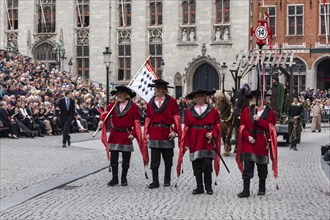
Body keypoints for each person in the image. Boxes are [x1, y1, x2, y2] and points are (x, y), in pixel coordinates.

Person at [98, 86, 147, 186]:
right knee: (114, 158)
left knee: (126, 158)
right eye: (118, 94)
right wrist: (102, 120)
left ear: (126, 95)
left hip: (126, 134)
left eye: (121, 93)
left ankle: (124, 178)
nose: (119, 95)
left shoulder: (133, 107)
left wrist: (133, 134)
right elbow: (106, 113)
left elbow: (136, 122)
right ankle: (114, 178)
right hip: (115, 133)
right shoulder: (113, 105)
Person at [177, 89, 220, 195]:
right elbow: (186, 128)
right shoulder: (189, 112)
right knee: (196, 165)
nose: (198, 98)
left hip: (207, 140)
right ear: (194, 98)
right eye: (196, 97)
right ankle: (199, 187)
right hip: (194, 140)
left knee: (207, 164)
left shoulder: (212, 110)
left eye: (200, 96)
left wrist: (213, 133)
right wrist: (186, 143)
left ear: (205, 97)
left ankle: (208, 187)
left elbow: (217, 124)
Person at [236, 90, 278, 198]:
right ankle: (246, 190)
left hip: (261, 141)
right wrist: (248, 136)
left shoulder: (269, 112)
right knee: (248, 166)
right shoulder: (246, 111)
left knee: (262, 166)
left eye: (258, 98)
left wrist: (259, 121)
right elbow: (242, 126)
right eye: (254, 98)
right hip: (249, 141)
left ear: (263, 99)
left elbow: (271, 127)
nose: (256, 100)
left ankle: (262, 188)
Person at [143, 79, 182, 189]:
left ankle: (167, 179)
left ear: (165, 90)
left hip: (167, 132)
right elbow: (148, 119)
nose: (157, 90)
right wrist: (147, 133)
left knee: (168, 159)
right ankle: (155, 181)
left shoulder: (172, 101)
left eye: (159, 88)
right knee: (154, 160)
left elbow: (177, 117)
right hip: (154, 132)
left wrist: (174, 131)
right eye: (156, 88)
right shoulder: (150, 102)